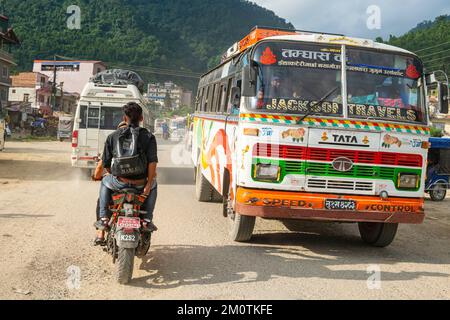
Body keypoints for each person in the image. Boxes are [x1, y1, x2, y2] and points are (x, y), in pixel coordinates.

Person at [94, 102, 158, 244]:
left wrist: (115, 174)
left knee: (105, 181)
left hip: (119, 183)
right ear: (141, 118)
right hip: (140, 184)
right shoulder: (149, 137)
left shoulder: (113, 136)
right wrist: (147, 185)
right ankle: (147, 220)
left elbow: (105, 163)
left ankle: (104, 218)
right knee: (154, 184)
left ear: (124, 118)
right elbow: (152, 162)